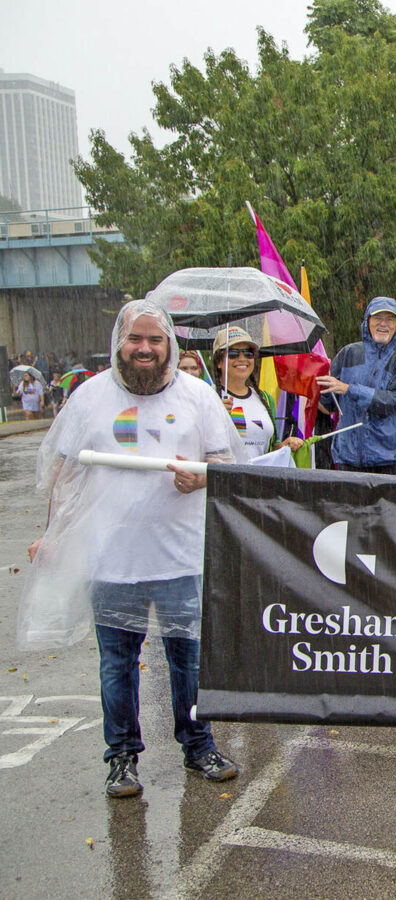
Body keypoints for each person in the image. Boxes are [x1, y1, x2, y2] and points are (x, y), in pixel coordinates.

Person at [23, 299, 247, 798]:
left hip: (180, 557)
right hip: (112, 560)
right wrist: (53, 533)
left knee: (189, 660)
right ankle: (122, 757)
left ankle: (198, 745)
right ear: (119, 343)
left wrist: (203, 477)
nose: (145, 349)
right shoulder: (88, 398)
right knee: (117, 664)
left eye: (155, 340)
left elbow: (225, 459)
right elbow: (65, 473)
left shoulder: (197, 396)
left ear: (169, 344)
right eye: (135, 339)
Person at [316, 297, 396, 475]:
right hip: (347, 459)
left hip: (389, 459)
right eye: (378, 318)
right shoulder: (348, 353)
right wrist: (314, 383)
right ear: (367, 321)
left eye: (390, 319)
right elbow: (328, 406)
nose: (383, 324)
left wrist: (349, 389)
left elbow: (391, 402)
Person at [210, 326, 303, 458]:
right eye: (233, 353)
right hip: (222, 477)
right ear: (219, 362)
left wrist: (284, 445)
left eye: (248, 353)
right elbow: (196, 442)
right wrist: (214, 417)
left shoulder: (265, 399)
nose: (242, 358)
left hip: (257, 477)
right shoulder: (207, 397)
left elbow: (271, 447)